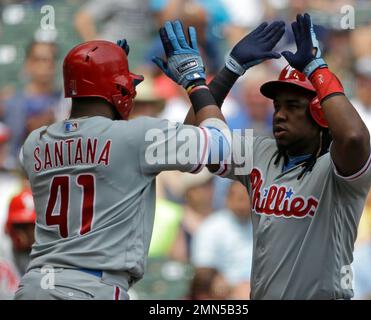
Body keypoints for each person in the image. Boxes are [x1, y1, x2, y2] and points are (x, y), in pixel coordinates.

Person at [14, 19, 285, 300]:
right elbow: (219, 145)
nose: (131, 91)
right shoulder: (135, 137)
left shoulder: (34, 143)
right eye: (127, 85)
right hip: (91, 288)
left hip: (35, 285)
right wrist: (196, 82)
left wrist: (108, 71)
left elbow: (182, 140)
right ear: (117, 91)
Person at [182, 13, 371, 299]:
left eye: (293, 106)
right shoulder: (260, 151)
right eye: (277, 106)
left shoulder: (338, 167)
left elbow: (354, 136)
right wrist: (230, 71)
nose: (280, 115)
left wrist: (316, 68)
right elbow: (188, 145)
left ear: (319, 113)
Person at [191, 181, 252, 289]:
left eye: (247, 198)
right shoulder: (211, 226)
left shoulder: (264, 226)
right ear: (227, 199)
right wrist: (231, 288)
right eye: (239, 198)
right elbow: (203, 270)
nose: (242, 204)